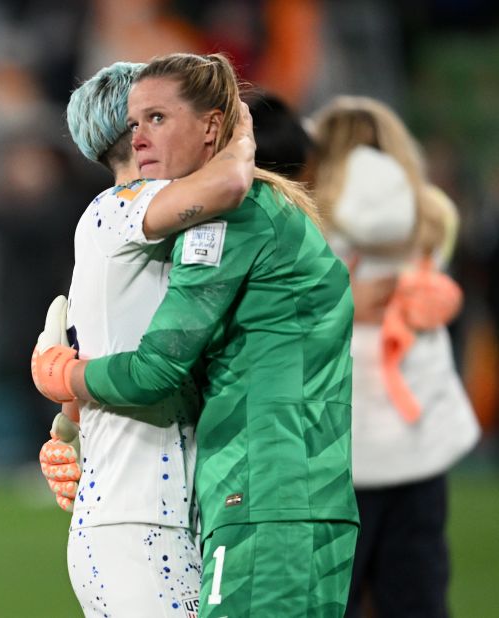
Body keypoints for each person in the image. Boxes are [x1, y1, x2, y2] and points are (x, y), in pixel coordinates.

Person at [32, 52, 360, 617]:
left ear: (212, 125)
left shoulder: (225, 214)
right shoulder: (167, 211)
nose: (141, 138)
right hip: (249, 497)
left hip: (255, 494)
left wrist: (66, 381)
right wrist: (70, 417)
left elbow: (156, 369)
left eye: (157, 119)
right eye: (134, 123)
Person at [36, 61, 255, 616]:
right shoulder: (118, 212)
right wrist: (239, 129)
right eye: (151, 115)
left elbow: (82, 375)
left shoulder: (133, 235)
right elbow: (230, 181)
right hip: (137, 522)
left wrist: (67, 427)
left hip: (157, 514)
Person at [310, 95, 480, 618]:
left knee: (329, 596)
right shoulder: (429, 219)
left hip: (333, 444)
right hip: (417, 442)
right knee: (417, 593)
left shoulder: (308, 224)